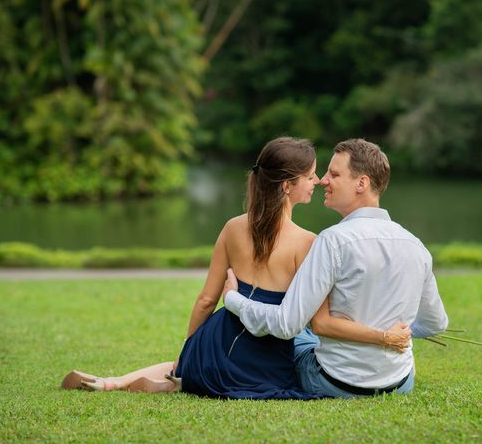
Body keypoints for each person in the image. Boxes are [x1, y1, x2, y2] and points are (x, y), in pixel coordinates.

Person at [61, 137, 411, 399]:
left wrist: (191, 351)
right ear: (288, 185)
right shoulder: (308, 242)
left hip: (219, 339)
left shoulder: (232, 227)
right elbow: (315, 321)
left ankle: (116, 381)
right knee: (303, 341)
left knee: (184, 365)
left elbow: (204, 300)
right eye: (310, 175)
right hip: (267, 358)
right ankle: (167, 380)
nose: (318, 180)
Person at [224, 138, 449, 398]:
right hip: (399, 384)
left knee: (294, 340)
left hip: (335, 381)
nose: (323, 181)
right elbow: (436, 323)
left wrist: (234, 300)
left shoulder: (333, 240)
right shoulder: (416, 246)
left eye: (334, 174)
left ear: (361, 183)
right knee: (309, 331)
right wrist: (387, 334)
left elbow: (286, 324)